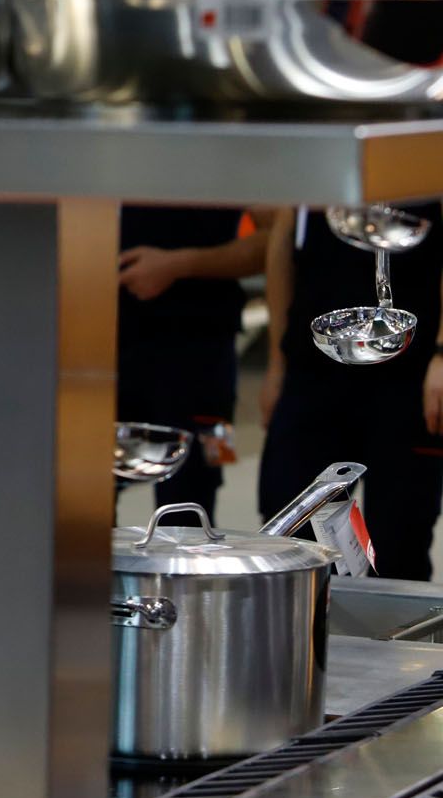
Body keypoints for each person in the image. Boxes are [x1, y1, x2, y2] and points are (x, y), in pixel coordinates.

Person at [260, 204, 443, 580]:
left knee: (400, 538)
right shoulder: (317, 155)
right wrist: (278, 364)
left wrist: (442, 354)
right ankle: (298, 633)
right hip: (312, 368)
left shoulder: (424, 154)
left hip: (409, 375)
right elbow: (282, 250)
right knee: (287, 528)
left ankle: (392, 636)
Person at [116, 207, 272, 517]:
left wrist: (178, 264)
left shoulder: (224, 160)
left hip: (200, 351)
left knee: (190, 502)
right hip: (96, 345)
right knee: (82, 509)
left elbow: (275, 238)